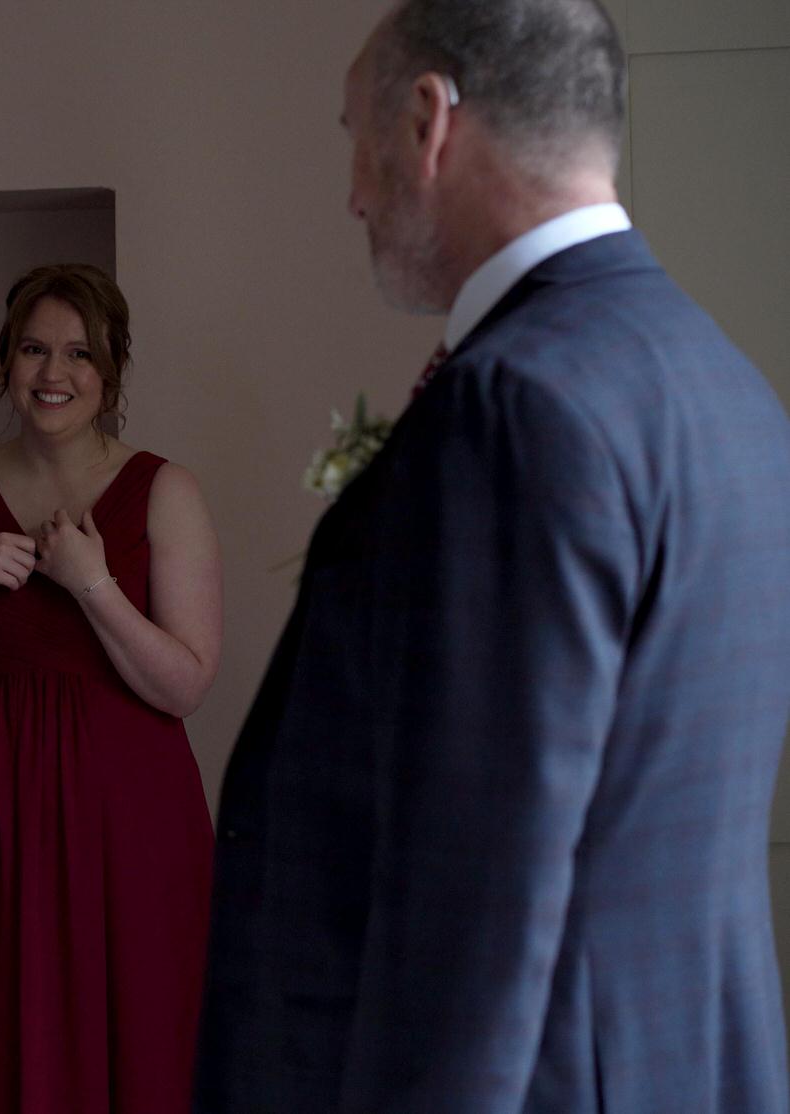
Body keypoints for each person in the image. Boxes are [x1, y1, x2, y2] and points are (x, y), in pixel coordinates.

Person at [194, 2, 790, 1111]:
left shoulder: (515, 409)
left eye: (352, 138)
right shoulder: (730, 388)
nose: (354, 194)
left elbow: (476, 907)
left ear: (428, 121)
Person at [0, 263, 223, 1112]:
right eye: (35, 350)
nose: (54, 375)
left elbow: (185, 685)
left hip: (131, 819)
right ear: (5, 362)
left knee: (143, 1035)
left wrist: (93, 585)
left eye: (79, 354)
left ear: (111, 368)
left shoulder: (165, 490)